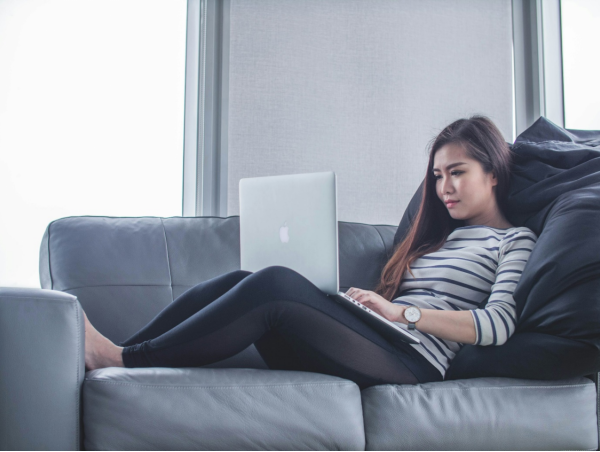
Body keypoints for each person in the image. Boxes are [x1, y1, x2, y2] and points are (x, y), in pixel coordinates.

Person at [83, 115, 538, 389]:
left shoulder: (514, 240)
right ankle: (123, 353)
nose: (443, 188)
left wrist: (403, 315)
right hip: (376, 341)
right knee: (246, 280)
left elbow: (497, 325)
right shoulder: (437, 238)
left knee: (275, 283)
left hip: (415, 362)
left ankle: (121, 359)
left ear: (493, 172)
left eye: (456, 172)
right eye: (437, 176)